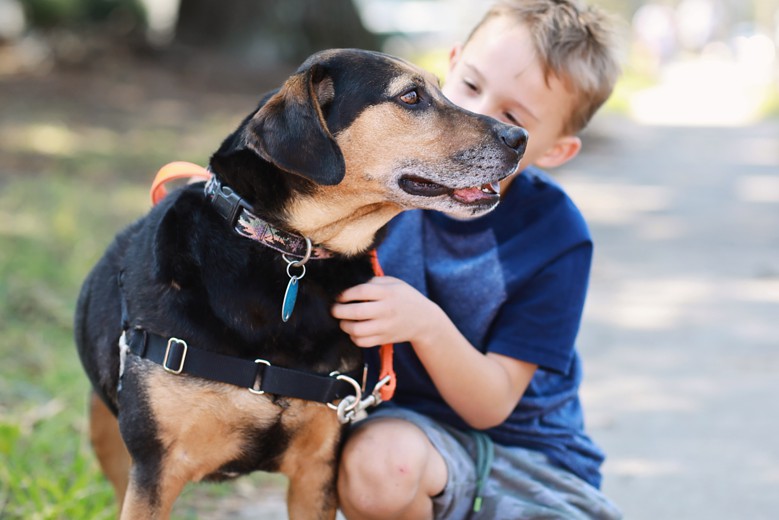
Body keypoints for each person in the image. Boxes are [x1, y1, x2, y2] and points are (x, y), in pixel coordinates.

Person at [331, 0, 622, 518]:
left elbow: (491, 405)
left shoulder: (555, 233)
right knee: (379, 467)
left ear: (555, 150)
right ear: (451, 62)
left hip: (530, 462)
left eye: (512, 116)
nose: (479, 117)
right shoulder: (386, 181)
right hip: (408, 440)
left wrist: (424, 323)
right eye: (469, 85)